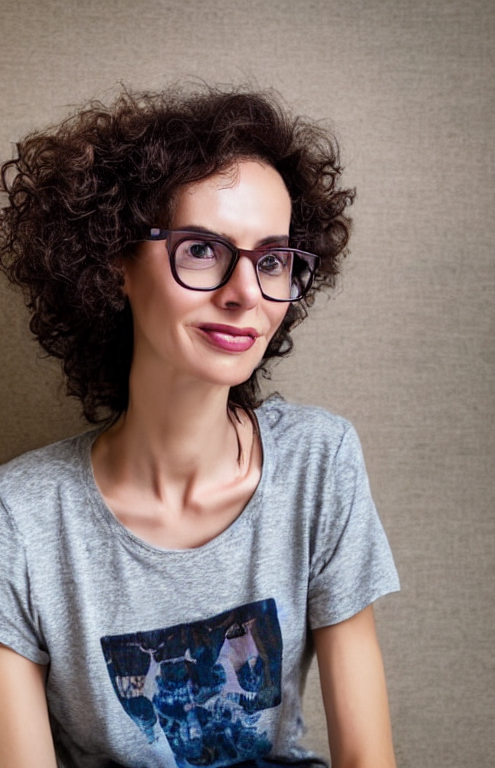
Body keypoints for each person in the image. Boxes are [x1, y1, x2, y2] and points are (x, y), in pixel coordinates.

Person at [0, 86, 400, 768]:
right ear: (116, 261)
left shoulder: (318, 460)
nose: (246, 290)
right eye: (202, 249)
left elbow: (369, 756)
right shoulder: (22, 519)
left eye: (272, 259)